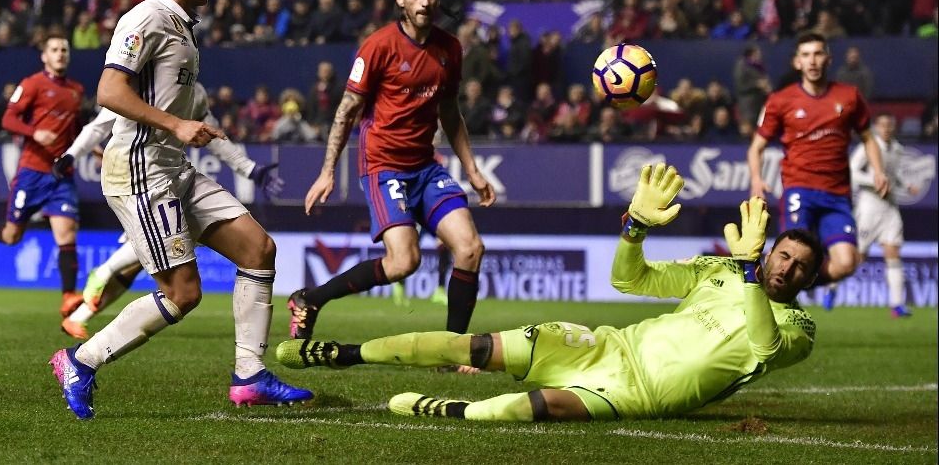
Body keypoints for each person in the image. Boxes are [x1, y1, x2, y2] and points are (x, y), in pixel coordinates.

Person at [277, 164, 822, 422]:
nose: (787, 269)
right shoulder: (717, 270)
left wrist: (750, 272)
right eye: (782, 256)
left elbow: (764, 344)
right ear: (768, 250)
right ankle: (346, 353)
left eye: (800, 268)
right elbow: (630, 280)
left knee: (544, 407)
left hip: (643, 395)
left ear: (810, 282)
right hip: (608, 345)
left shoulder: (798, 330)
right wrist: (634, 227)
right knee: (478, 347)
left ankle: (456, 412)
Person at [49, 0, 310, 420]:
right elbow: (108, 91)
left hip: (173, 166)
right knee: (184, 294)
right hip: (141, 171)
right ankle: (79, 361)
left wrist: (193, 132)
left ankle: (249, 376)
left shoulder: (183, 24)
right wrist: (176, 124)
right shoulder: (145, 18)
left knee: (259, 248)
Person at [293, 0, 496, 347]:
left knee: (470, 248)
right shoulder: (379, 45)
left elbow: (450, 112)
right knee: (405, 262)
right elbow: (347, 110)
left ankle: (451, 349)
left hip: (425, 167)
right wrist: (327, 171)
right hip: (384, 166)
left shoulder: (450, 49)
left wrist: (472, 169)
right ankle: (312, 299)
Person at [54, 82, 285, 340]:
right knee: (167, 279)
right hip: (142, 183)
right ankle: (103, 275)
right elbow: (101, 122)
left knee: (137, 266)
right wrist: (71, 155)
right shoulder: (146, 83)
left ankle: (80, 315)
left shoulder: (195, 93)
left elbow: (214, 139)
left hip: (174, 181)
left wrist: (251, 169)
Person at [748, 31, 888, 309]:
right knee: (791, 255)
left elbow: (869, 138)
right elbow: (756, 148)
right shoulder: (781, 100)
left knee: (847, 263)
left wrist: (878, 170)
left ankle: (794, 285)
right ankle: (769, 299)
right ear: (797, 62)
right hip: (799, 189)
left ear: (828, 58)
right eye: (806, 55)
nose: (812, 61)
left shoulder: (848, 96)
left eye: (818, 53)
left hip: (837, 194)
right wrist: (756, 179)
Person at [0, 33, 86, 318]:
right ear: (44, 56)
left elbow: (77, 130)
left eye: (64, 50)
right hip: (32, 172)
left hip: (61, 174)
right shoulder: (32, 84)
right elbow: (8, 119)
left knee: (67, 234)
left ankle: (68, 296)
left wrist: (94, 151)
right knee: (12, 236)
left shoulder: (76, 90)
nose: (60, 53)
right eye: (54, 49)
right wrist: (35, 133)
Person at [850, 113, 916, 318]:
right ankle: (832, 288)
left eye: (890, 125)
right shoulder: (868, 146)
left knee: (893, 252)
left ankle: (897, 305)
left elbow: (893, 174)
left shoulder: (897, 148)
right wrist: (875, 180)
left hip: (889, 207)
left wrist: (905, 185)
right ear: (876, 127)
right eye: (882, 125)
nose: (886, 129)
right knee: (857, 257)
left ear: (894, 127)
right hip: (869, 206)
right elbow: (851, 171)